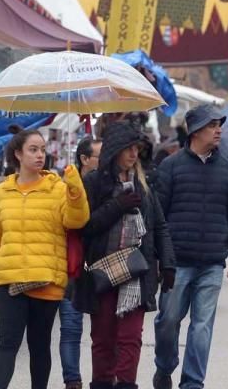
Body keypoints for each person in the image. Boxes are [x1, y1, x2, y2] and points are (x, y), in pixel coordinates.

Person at [0, 131, 89, 389]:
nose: (40, 154)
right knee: (8, 343)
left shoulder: (58, 188)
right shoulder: (3, 191)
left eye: (42, 149)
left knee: (39, 345)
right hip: (9, 278)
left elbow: (77, 220)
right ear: (18, 154)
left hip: (46, 279)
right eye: (33, 149)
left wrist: (75, 188)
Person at [73, 122, 174, 389]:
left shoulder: (143, 184)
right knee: (103, 338)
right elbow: (84, 226)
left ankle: (126, 383)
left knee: (131, 338)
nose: (133, 154)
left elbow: (159, 225)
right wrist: (117, 206)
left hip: (137, 272)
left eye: (137, 149)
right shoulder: (94, 183)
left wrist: (168, 264)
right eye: (128, 148)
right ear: (114, 149)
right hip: (102, 272)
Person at [152, 106, 228, 389]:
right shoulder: (171, 167)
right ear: (194, 131)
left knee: (202, 327)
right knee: (168, 320)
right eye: (211, 125)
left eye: (219, 125)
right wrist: (158, 255)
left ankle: (192, 383)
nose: (218, 130)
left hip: (212, 262)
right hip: (176, 261)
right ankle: (165, 366)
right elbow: (158, 214)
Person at [59, 137, 100, 389]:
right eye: (99, 155)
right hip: (72, 263)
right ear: (84, 159)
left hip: (101, 264)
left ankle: (105, 377)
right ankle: (72, 380)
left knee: (103, 329)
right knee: (71, 327)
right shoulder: (67, 188)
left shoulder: (110, 186)